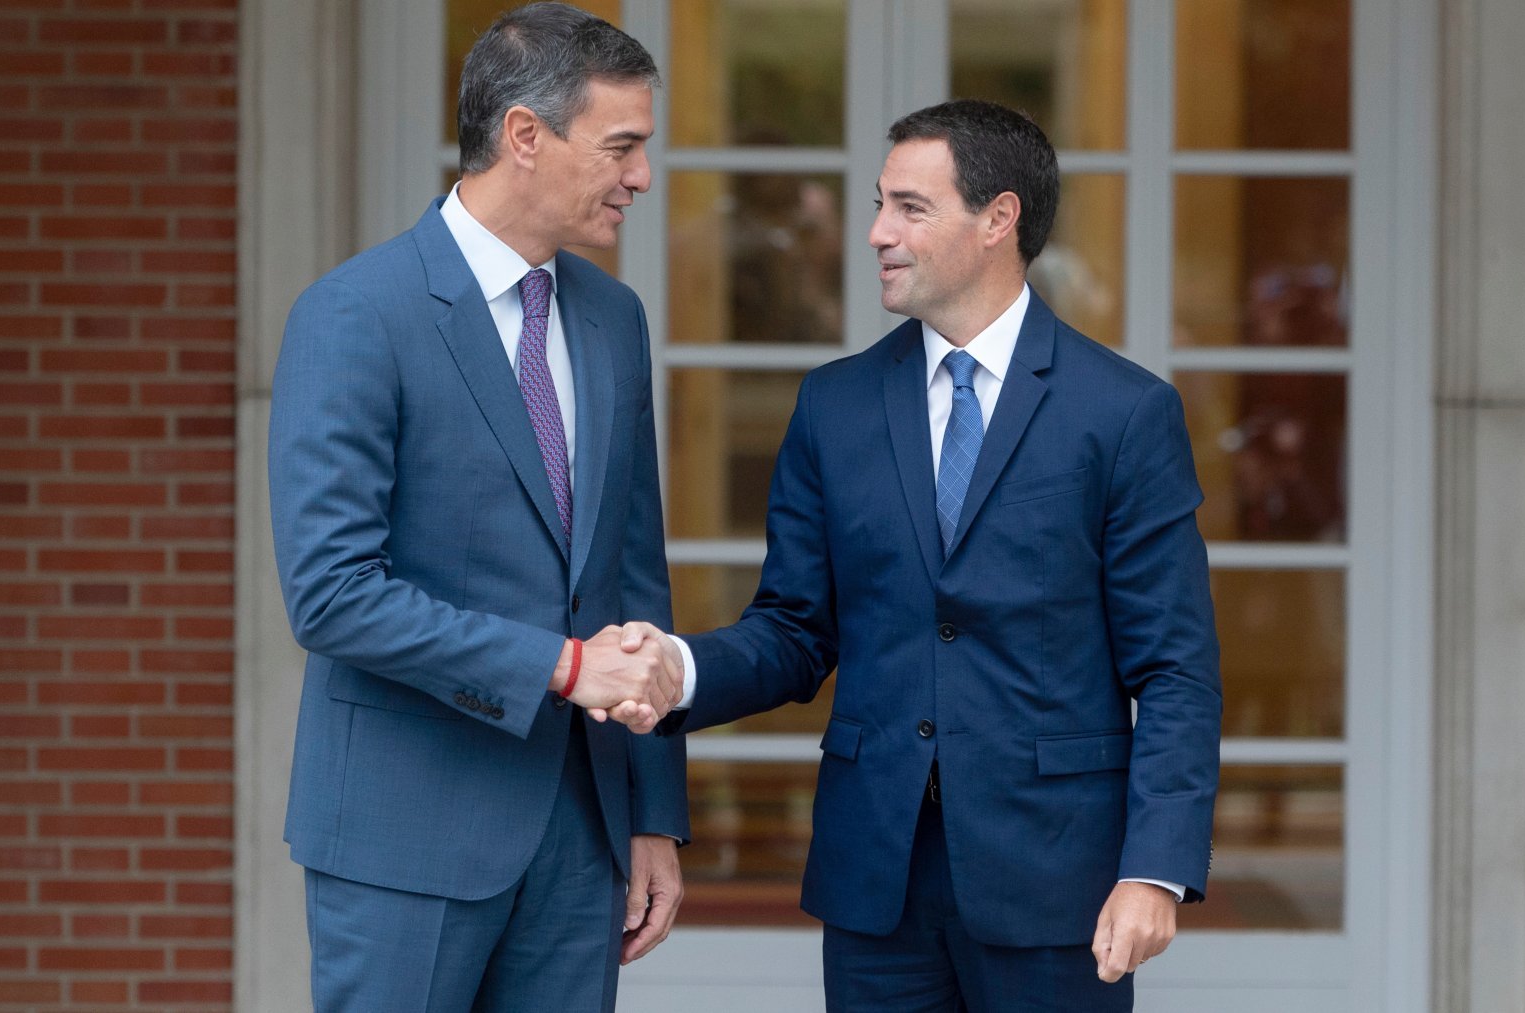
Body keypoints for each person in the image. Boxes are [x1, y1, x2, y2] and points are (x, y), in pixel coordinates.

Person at [625, 99, 1222, 1011]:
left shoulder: (1124, 413)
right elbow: (793, 629)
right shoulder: (834, 406)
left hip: (1060, 881)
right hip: (878, 882)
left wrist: (1157, 867)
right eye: (878, 204)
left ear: (998, 219)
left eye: (909, 207)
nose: (874, 233)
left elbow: (1176, 667)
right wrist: (680, 668)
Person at [267, 5, 686, 1009]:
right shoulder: (357, 313)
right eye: (621, 146)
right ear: (525, 137)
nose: (640, 177)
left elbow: (633, 576)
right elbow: (330, 593)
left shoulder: (615, 320)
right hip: (404, 833)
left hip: (583, 838)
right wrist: (563, 665)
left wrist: (653, 812)